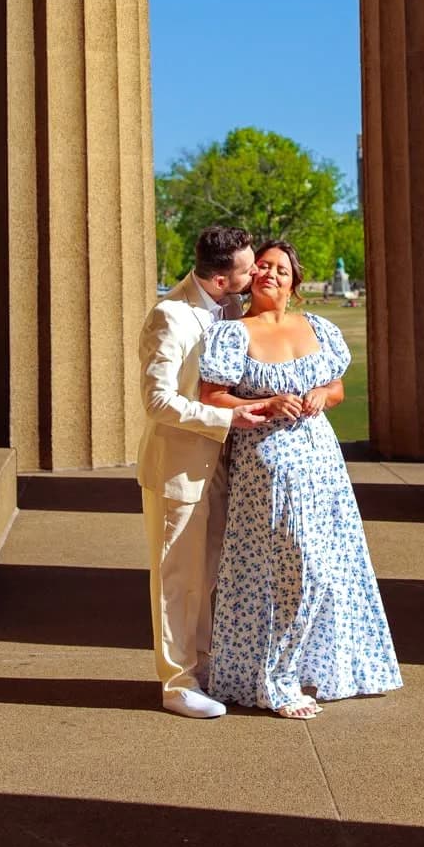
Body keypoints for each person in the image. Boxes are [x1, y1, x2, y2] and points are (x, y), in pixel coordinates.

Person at [198, 239, 403, 719]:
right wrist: (265, 404)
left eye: (281, 270)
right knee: (296, 567)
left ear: (295, 281)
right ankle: (276, 679)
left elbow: (337, 388)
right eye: (263, 267)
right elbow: (213, 396)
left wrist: (318, 395)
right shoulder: (231, 334)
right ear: (251, 277)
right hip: (267, 464)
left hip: (322, 461)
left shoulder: (319, 328)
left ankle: (328, 668)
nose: (271, 274)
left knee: (332, 567)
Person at [137, 225, 264, 719]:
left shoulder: (234, 309)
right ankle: (177, 683)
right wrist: (226, 418)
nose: (254, 273)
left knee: (209, 577)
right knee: (178, 580)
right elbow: (157, 401)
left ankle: (206, 669)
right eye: (247, 268)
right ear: (217, 279)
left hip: (226, 469)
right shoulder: (169, 315)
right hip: (180, 472)